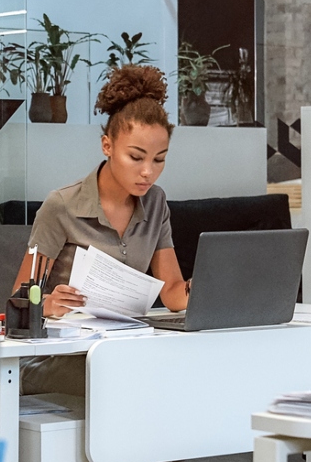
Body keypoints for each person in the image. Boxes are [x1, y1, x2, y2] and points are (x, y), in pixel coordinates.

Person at [17, 63, 189, 396]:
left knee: (184, 369)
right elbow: (19, 301)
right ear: (107, 146)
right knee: (145, 383)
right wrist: (46, 304)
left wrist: (208, 287)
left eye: (159, 159)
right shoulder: (62, 206)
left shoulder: (155, 203)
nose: (148, 172)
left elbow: (171, 293)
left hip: (124, 349)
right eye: (136, 157)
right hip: (60, 358)